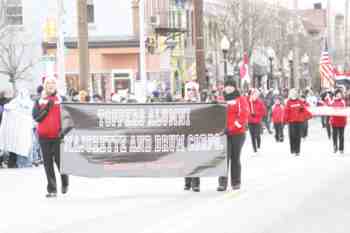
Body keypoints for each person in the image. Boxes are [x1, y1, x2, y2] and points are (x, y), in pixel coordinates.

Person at [32, 77, 69, 198]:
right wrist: (47, 108)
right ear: (44, 86)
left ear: (56, 86)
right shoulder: (39, 100)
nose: (51, 85)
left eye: (53, 83)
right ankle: (52, 189)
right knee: (48, 164)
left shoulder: (62, 99)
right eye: (48, 83)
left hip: (58, 136)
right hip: (44, 137)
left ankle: (65, 181)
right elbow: (36, 117)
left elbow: (69, 117)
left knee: (60, 162)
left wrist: (64, 131)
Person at [217, 79, 249, 191]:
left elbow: (243, 116)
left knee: (235, 158)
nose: (228, 88)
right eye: (227, 86)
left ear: (235, 88)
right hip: (224, 134)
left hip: (237, 134)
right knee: (223, 159)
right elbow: (216, 114)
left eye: (231, 86)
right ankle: (222, 183)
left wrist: (230, 128)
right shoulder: (220, 99)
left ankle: (236, 182)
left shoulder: (241, 99)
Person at [284, 89, 312, 156]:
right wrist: (285, 120)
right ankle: (292, 149)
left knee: (298, 136)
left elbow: (304, 109)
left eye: (295, 93)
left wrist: (309, 115)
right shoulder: (288, 102)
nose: (293, 94)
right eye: (292, 93)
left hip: (299, 121)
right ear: (290, 94)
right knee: (292, 135)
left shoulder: (299, 101)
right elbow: (286, 111)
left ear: (296, 94)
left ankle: (297, 151)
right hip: (291, 122)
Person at [247, 89, 266, 154]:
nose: (254, 96)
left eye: (256, 95)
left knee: (257, 134)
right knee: (252, 135)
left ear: (257, 96)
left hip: (257, 121)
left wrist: (256, 113)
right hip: (250, 121)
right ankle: (254, 149)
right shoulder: (248, 102)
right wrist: (249, 114)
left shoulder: (260, 102)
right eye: (253, 95)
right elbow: (245, 110)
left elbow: (263, 112)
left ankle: (258, 145)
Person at [329, 89, 347, 154]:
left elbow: (345, 110)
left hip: (342, 121)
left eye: (340, 94)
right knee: (334, 135)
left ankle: (341, 149)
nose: (339, 95)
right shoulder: (332, 102)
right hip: (334, 121)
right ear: (335, 95)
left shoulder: (343, 101)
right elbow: (329, 110)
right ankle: (335, 147)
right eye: (338, 94)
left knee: (341, 136)